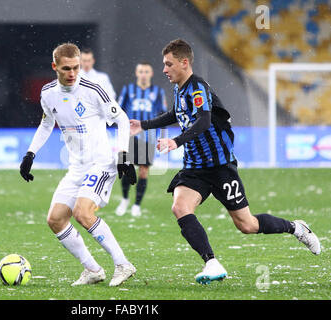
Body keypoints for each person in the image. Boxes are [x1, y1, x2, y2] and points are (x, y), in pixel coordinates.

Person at [130, 39, 321, 285]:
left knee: (247, 225)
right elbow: (175, 114)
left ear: (184, 62)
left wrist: (176, 142)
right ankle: (211, 263)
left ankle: (296, 228)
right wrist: (144, 125)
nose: (164, 70)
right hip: (195, 168)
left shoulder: (197, 87)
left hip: (220, 167)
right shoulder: (179, 89)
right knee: (180, 207)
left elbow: (204, 120)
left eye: (169, 64)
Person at [20, 43, 137, 287]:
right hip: (77, 168)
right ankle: (93, 269)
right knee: (55, 220)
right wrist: (30, 154)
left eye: (76, 67)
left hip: (101, 163)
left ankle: (123, 264)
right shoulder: (48, 93)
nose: (73, 73)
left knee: (83, 213)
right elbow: (45, 124)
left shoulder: (94, 90)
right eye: (66, 69)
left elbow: (123, 119)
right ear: (55, 67)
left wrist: (123, 155)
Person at [115, 62, 167, 217]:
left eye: (146, 71)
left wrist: (162, 137)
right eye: (141, 71)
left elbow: (163, 115)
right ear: (137, 73)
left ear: (151, 74)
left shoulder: (158, 92)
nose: (143, 74)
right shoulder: (128, 90)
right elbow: (118, 111)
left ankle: (136, 204)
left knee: (144, 171)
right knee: (126, 169)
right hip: (130, 136)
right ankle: (124, 199)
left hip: (148, 136)